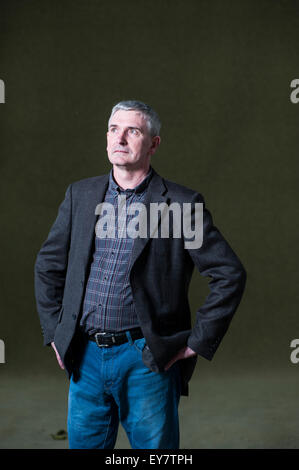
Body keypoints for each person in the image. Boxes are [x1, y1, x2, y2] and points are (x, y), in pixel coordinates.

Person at [34, 100, 246, 449]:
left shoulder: (179, 204)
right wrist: (56, 332)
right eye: (114, 129)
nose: (120, 138)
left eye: (133, 130)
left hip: (146, 361)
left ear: (153, 143)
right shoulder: (81, 195)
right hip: (84, 357)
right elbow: (48, 265)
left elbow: (229, 274)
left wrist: (196, 342)